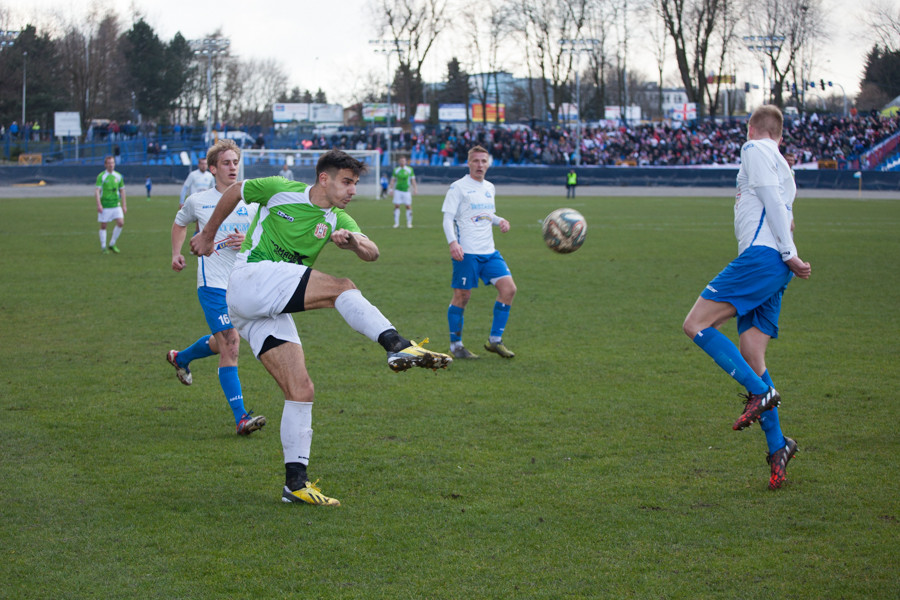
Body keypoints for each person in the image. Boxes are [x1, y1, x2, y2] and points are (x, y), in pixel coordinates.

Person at [190, 149, 452, 506]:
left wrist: (354, 242)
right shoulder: (280, 189)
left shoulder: (338, 218)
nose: (352, 190)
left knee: (301, 389)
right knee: (341, 287)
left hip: (258, 310)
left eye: (355, 183)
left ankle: (295, 485)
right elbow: (237, 191)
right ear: (324, 179)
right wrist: (207, 235)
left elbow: (373, 252)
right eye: (347, 182)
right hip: (250, 279)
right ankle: (396, 344)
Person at [682, 105, 811, 490]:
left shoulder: (754, 148)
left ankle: (759, 392)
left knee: (695, 324)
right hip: (774, 266)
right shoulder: (783, 167)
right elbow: (787, 215)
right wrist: (787, 254)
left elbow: (771, 200)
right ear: (781, 136)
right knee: (752, 353)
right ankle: (778, 447)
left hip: (762, 258)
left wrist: (787, 253)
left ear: (752, 129)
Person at [168, 139, 266, 436]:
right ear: (212, 168)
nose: (233, 167)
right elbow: (180, 223)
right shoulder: (198, 200)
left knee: (222, 341)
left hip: (243, 283)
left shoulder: (251, 201)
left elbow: (263, 237)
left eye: (236, 162)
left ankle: (181, 357)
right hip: (212, 285)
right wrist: (176, 253)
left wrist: (247, 241)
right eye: (226, 163)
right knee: (231, 343)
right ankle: (241, 418)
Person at [442, 145, 517, 360]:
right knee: (462, 296)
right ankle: (456, 346)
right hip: (467, 252)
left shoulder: (489, 187)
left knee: (509, 289)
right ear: (469, 163)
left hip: (489, 252)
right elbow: (448, 218)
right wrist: (453, 243)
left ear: (489, 164)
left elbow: (486, 214)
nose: (480, 165)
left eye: (484, 161)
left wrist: (499, 220)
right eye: (475, 161)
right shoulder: (458, 187)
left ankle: (495, 341)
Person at [95, 155, 127, 254]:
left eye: (112, 163)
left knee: (121, 223)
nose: (111, 165)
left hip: (116, 204)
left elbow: (122, 190)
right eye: (109, 163)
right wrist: (99, 204)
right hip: (105, 205)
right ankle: (103, 247)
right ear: (105, 165)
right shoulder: (101, 176)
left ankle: (112, 243)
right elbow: (97, 191)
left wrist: (124, 205)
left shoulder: (118, 176)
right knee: (104, 226)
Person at [388, 156, 417, 228]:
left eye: (403, 161)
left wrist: (415, 189)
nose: (402, 162)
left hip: (406, 191)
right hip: (398, 190)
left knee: (408, 206)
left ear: (406, 162)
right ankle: (396, 223)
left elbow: (413, 180)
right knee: (397, 206)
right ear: (399, 162)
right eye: (401, 161)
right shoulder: (396, 170)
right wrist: (391, 189)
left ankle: (409, 223)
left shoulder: (409, 170)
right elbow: (392, 180)